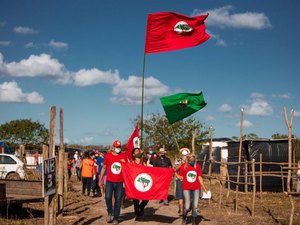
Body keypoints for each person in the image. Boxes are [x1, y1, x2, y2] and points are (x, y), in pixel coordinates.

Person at [99, 140, 126, 225]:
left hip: (120, 182)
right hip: (109, 181)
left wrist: (125, 163)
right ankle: (110, 212)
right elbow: (103, 168)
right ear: (113, 147)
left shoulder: (123, 156)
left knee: (118, 199)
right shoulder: (108, 156)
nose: (118, 148)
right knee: (107, 197)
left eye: (119, 147)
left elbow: (128, 168)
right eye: (117, 147)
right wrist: (100, 180)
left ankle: (116, 218)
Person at [177, 153, 207, 225]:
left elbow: (199, 177)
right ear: (188, 160)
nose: (192, 161)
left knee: (195, 206)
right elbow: (180, 176)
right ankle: (184, 218)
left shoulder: (197, 166)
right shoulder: (184, 166)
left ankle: (194, 221)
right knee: (187, 206)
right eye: (191, 160)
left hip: (196, 188)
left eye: (193, 159)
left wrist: (204, 188)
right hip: (186, 188)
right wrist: (176, 174)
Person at [131, 148, 149, 220]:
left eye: (138, 151)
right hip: (134, 183)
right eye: (136, 151)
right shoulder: (132, 163)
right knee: (135, 200)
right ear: (133, 154)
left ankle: (141, 206)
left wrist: (143, 153)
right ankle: (137, 214)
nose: (138, 152)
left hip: (142, 183)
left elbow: (146, 159)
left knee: (146, 197)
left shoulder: (143, 161)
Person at [174, 148, 190, 215]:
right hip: (179, 180)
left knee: (186, 195)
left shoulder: (190, 161)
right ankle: (180, 208)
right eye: (183, 155)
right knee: (180, 195)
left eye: (186, 155)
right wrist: (181, 164)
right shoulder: (178, 160)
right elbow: (175, 169)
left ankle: (185, 209)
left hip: (187, 180)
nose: (184, 156)